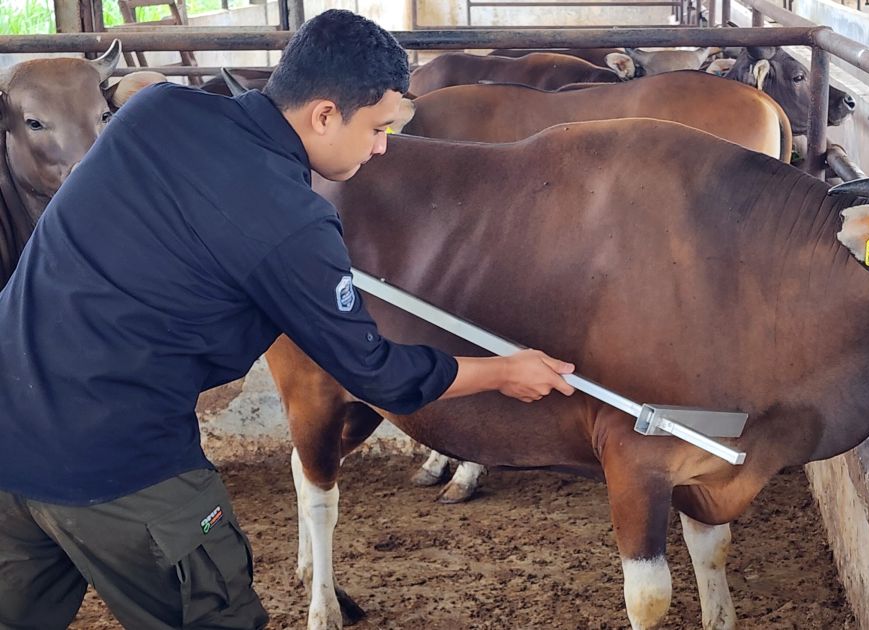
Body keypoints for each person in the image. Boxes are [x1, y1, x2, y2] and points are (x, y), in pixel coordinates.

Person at [0, 10, 575, 629]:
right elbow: (376, 373)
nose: (383, 147)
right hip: (124, 469)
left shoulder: (154, 111)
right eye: (378, 127)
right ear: (325, 114)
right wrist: (502, 373)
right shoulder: (293, 223)